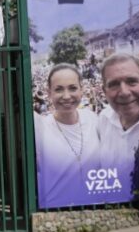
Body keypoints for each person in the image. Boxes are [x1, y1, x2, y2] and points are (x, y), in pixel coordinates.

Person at [33, 64, 101, 208]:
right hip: (57, 206)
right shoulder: (40, 128)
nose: (66, 96)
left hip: (95, 204)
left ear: (81, 90)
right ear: (49, 92)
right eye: (58, 89)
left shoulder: (93, 119)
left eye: (72, 88)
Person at [96, 54, 139, 190]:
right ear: (104, 91)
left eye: (131, 81)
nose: (124, 92)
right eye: (114, 84)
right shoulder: (103, 118)